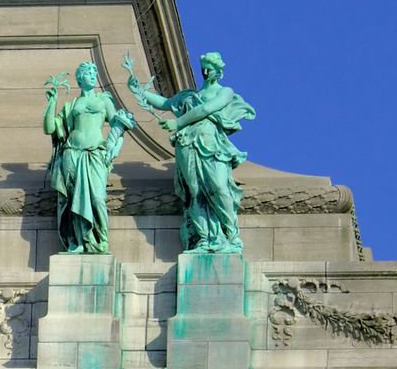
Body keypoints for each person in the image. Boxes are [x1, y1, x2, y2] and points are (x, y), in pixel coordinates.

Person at [123, 51, 257, 253]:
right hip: (187, 143)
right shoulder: (188, 96)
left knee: (219, 187)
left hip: (211, 144)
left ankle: (230, 235)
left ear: (218, 71)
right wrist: (139, 91)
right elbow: (165, 103)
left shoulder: (225, 92)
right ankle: (203, 238)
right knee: (194, 192)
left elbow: (205, 110)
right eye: (203, 67)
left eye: (210, 68)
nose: (205, 71)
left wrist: (177, 122)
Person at [43, 61, 139, 254]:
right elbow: (50, 128)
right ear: (80, 78)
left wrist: (116, 146)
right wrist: (52, 103)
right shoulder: (72, 105)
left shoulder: (104, 100)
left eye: (95, 72)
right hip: (72, 153)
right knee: (73, 199)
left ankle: (100, 240)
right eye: (89, 73)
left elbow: (119, 125)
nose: (94, 75)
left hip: (95, 153)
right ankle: (80, 241)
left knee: (97, 198)